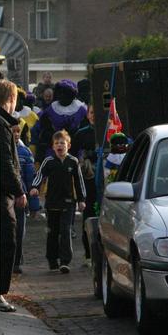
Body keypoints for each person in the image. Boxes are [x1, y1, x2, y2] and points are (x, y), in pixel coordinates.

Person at [30, 130, 86, 273]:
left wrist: (81, 199)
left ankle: (65, 261)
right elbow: (40, 175)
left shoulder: (73, 162)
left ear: (69, 145)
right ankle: (52, 259)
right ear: (53, 147)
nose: (59, 146)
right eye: (56, 143)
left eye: (62, 143)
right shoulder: (49, 161)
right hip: (52, 202)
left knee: (66, 230)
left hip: (68, 202)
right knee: (52, 232)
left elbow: (79, 182)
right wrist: (35, 187)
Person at [0, 79, 28, 311]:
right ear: (12, 99)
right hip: (1, 192)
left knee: (2, 241)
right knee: (6, 241)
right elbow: (6, 163)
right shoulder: (0, 124)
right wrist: (19, 190)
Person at [70, 103, 98, 263]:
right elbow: (72, 154)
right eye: (91, 112)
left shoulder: (111, 131)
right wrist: (82, 164)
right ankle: (88, 253)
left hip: (107, 178)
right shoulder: (82, 133)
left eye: (96, 113)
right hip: (89, 178)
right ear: (87, 115)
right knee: (88, 214)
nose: (93, 115)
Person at [11, 119, 40, 274]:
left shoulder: (25, 152)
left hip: (20, 200)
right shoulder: (0, 149)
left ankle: (16, 261)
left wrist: (34, 204)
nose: (16, 134)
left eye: (18, 131)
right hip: (6, 198)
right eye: (13, 131)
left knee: (19, 231)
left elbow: (30, 179)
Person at [36, 80, 87, 163]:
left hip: (76, 151)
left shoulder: (81, 110)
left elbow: (86, 131)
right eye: (59, 93)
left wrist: (72, 133)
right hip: (53, 151)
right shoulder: (50, 111)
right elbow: (43, 132)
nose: (61, 96)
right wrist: (58, 135)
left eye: (64, 94)